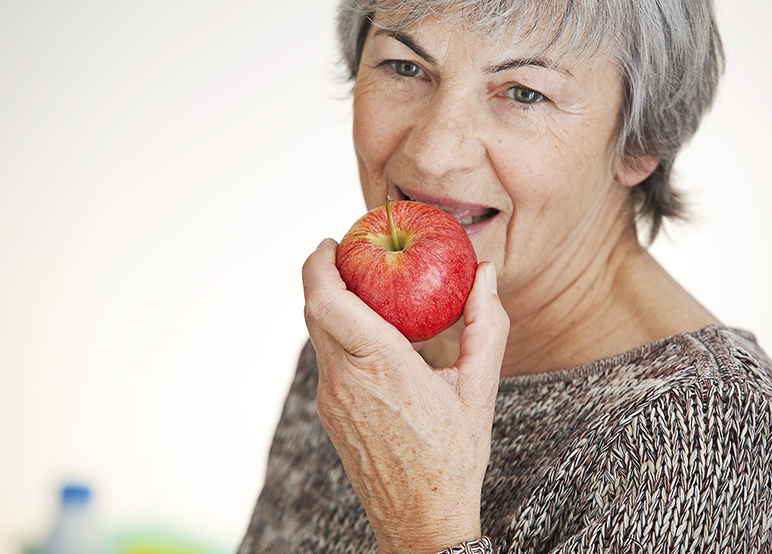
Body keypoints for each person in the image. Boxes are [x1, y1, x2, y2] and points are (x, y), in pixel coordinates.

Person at [239, 0, 772, 552]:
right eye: (406, 67)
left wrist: (427, 524)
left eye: (524, 93)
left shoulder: (702, 431)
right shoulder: (368, 330)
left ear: (643, 141)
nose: (433, 154)